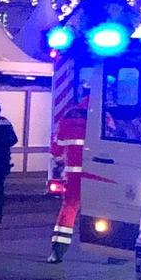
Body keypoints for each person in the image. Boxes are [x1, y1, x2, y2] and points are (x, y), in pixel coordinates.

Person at [47, 105, 87, 263]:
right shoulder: (105, 114)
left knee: (69, 210)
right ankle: (113, 252)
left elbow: (56, 150)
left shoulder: (69, 116)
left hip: (73, 174)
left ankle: (57, 252)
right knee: (106, 210)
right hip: (100, 173)